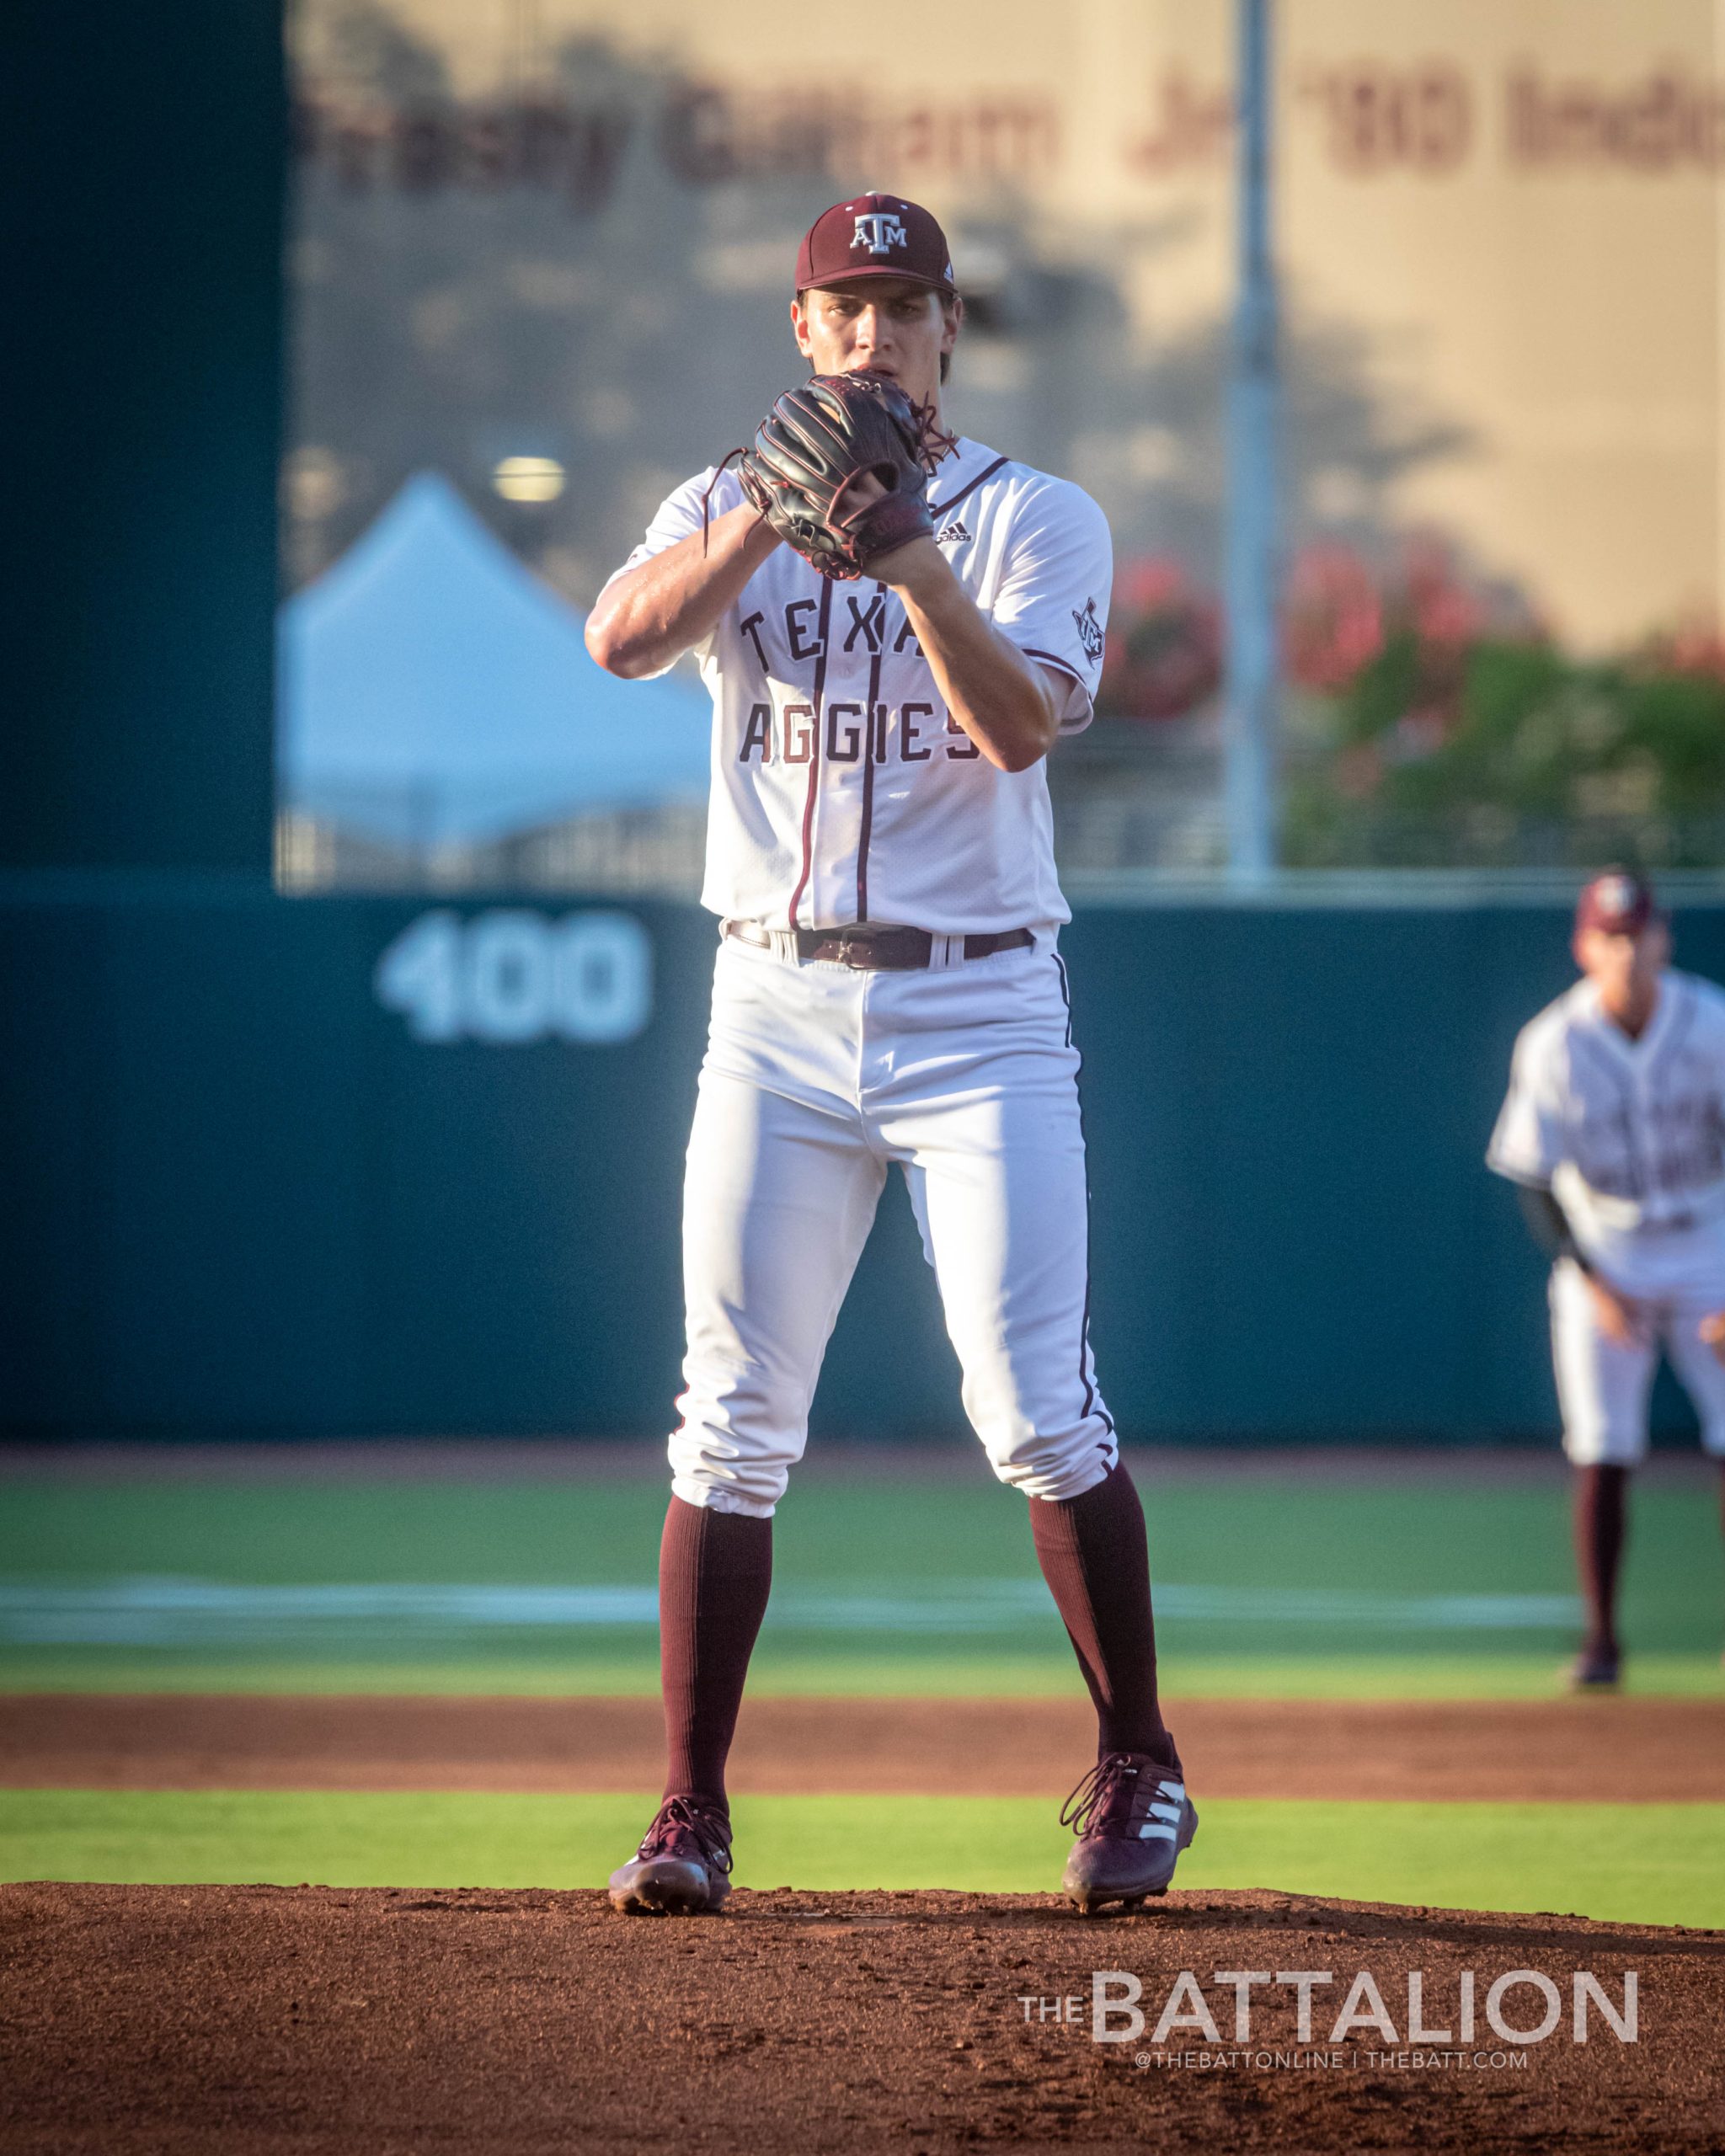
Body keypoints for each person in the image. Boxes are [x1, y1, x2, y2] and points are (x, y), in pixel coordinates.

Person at [585, 192, 1194, 1916]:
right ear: (801, 331)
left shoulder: (1032, 517)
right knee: (727, 1421)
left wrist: (910, 550)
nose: (870, 335)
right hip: (771, 1007)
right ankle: (687, 1811)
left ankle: (1138, 1761)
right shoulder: (725, 494)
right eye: (840, 309)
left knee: (1032, 1407)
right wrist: (770, 526)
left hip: (978, 1009)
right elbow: (618, 638)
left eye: (902, 308)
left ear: (947, 331)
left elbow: (1015, 727)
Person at [1487, 867, 1725, 1688]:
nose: (1625, 950)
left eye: (1637, 934)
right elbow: (1531, 1177)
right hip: (1604, 1247)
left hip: (1707, 1238)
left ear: (1661, 937)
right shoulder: (1551, 1041)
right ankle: (1600, 1642)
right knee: (1601, 1445)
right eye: (1609, 936)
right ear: (1584, 945)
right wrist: (1592, 1282)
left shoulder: (1709, 1023)